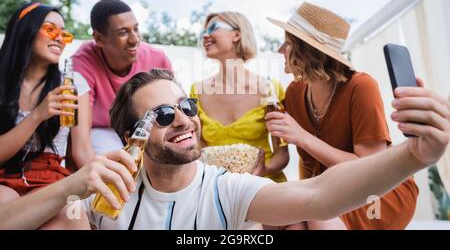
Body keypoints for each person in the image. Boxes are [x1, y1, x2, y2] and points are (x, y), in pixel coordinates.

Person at [0, 68, 448, 230]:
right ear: (131, 138)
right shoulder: (109, 194)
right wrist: (69, 189)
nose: (181, 118)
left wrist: (415, 156)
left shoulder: (226, 189)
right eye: (159, 115)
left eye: (186, 105)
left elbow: (320, 195)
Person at [265, 2, 419, 229]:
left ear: (308, 52)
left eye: (287, 44)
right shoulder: (294, 92)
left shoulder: (361, 87)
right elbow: (302, 164)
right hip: (326, 190)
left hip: (378, 193)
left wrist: (303, 137)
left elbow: (370, 166)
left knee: (319, 217)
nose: (279, 51)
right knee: (277, 219)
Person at [0, 2, 92, 229]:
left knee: (72, 215)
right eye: (51, 29)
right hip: (5, 175)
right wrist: (38, 115)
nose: (60, 39)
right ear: (25, 30)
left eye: (64, 34)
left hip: (51, 177)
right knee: (5, 202)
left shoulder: (73, 84)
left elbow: (81, 150)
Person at [190, 12, 289, 183]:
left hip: (264, 189)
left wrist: (264, 170)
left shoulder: (270, 90)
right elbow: (196, 152)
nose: (205, 35)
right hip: (217, 193)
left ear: (237, 34)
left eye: (213, 28)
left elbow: (282, 155)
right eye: (203, 31)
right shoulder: (196, 91)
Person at [72, 0, 172, 155]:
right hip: (102, 132)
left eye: (136, 29)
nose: (135, 39)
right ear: (99, 38)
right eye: (123, 32)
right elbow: (80, 146)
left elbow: (174, 112)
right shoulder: (83, 62)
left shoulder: (157, 58)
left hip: (146, 129)